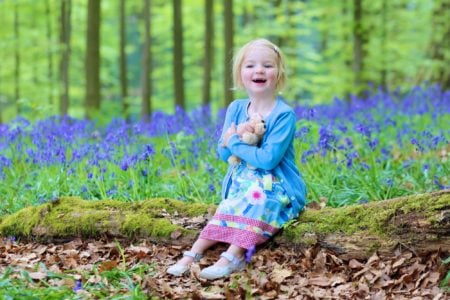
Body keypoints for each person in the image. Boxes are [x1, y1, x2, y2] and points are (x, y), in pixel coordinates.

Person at [167, 38, 307, 280]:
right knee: (229, 206)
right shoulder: (236, 108)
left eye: (267, 65)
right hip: (242, 183)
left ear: (279, 74)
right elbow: (223, 154)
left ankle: (233, 256)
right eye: (250, 65)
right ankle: (194, 253)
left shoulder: (284, 115)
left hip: (279, 188)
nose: (259, 70)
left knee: (260, 198)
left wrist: (234, 141)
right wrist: (232, 141)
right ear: (240, 75)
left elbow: (268, 160)